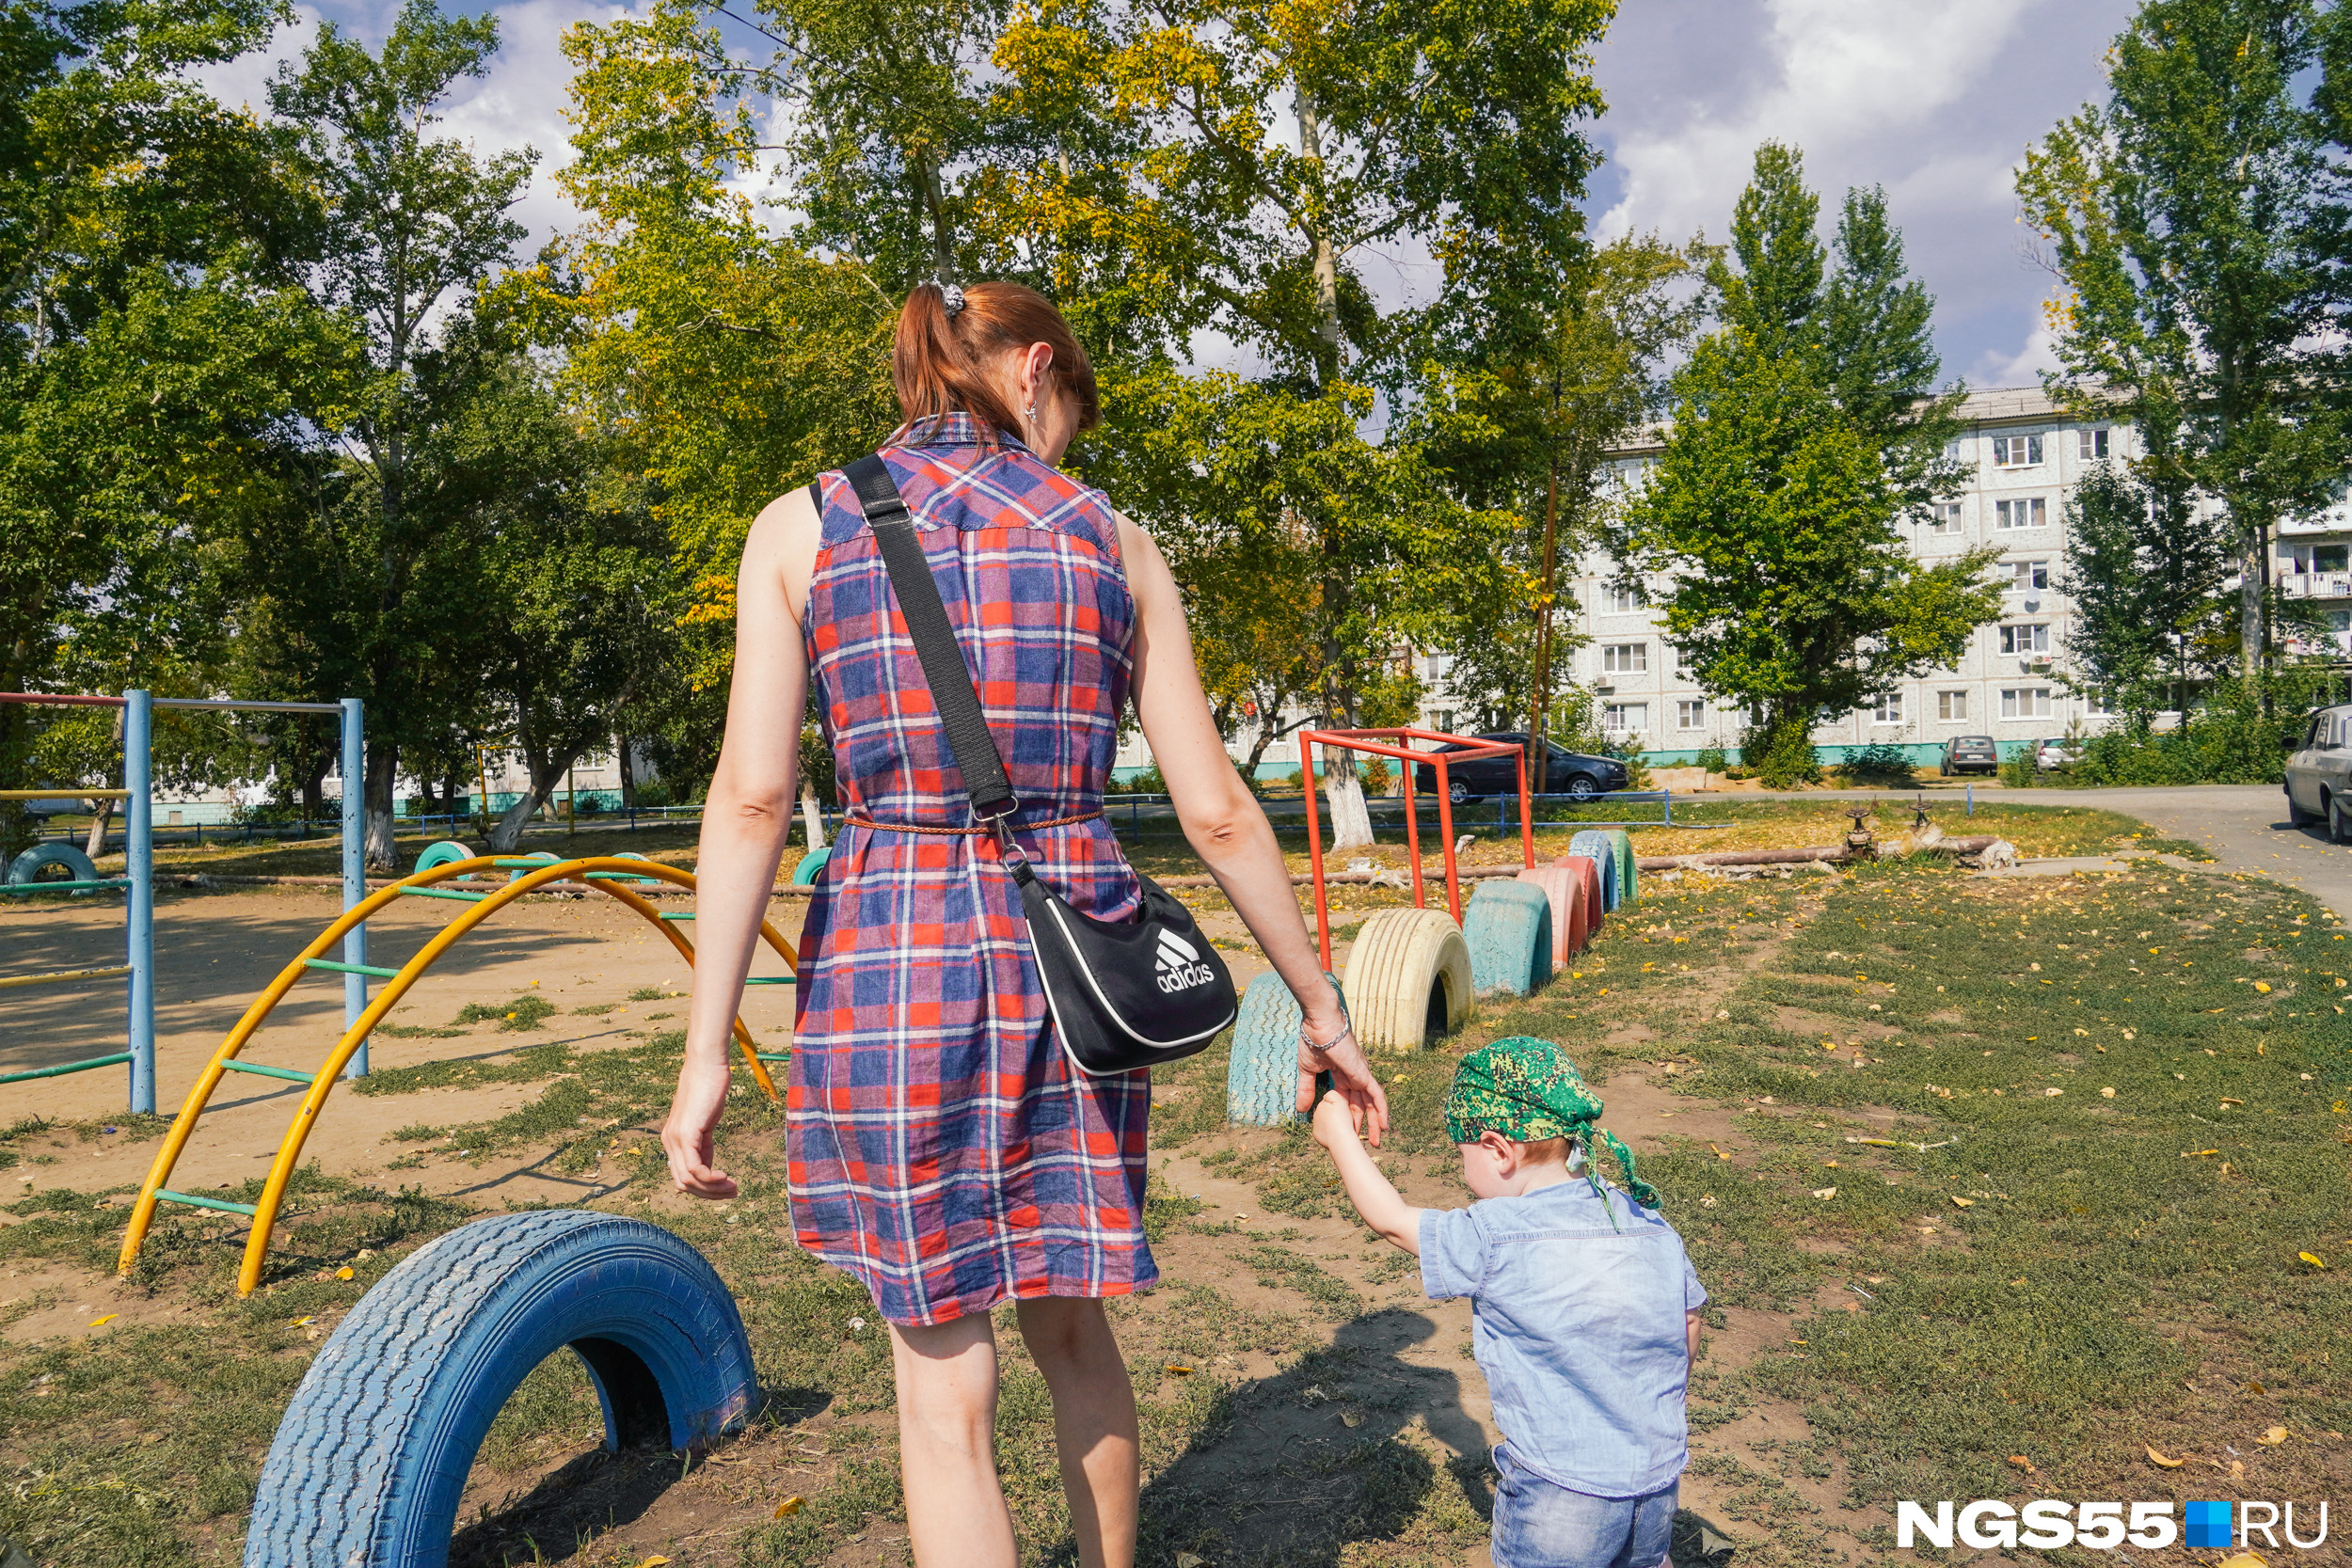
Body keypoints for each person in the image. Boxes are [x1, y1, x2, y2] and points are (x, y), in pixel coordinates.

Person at [660, 277, 1391, 1568]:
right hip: (1074, 957)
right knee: (1071, 1322)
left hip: (896, 961)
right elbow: (1215, 809)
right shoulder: (1112, 536)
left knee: (942, 1388)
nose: (1065, 455)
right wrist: (1321, 1007)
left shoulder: (801, 524)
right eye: (1070, 420)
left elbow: (756, 793)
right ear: (1035, 372)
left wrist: (707, 1043)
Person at [1311, 1037, 1703, 1568]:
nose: (1461, 1168)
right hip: (1656, 1483)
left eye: (1462, 1152)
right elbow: (1687, 1320)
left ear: (1498, 1150)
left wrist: (1340, 1140)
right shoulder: (1644, 1220)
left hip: (1559, 1491)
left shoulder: (1497, 1234)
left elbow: (1392, 1220)